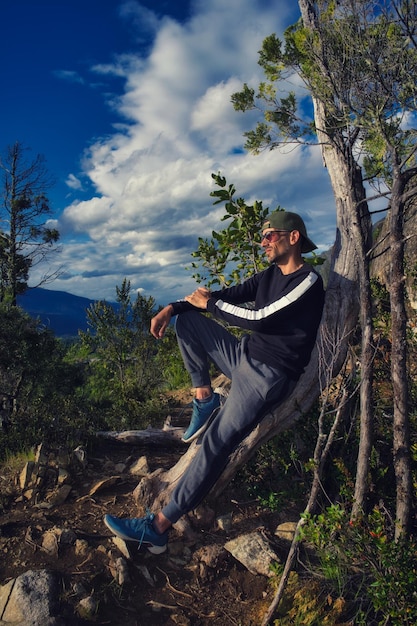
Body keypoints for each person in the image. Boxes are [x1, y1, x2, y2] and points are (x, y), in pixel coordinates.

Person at [104, 210, 325, 553]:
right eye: (262, 237)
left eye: (270, 236)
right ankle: (205, 398)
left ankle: (158, 528)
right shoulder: (268, 275)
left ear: (293, 237)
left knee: (216, 443)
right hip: (243, 357)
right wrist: (173, 309)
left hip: (267, 377)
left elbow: (260, 319)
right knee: (189, 322)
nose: (263, 242)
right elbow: (225, 296)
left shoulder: (308, 281)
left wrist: (212, 303)